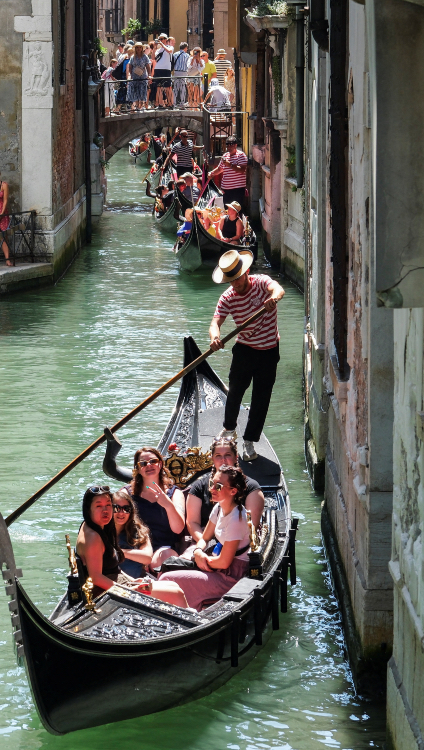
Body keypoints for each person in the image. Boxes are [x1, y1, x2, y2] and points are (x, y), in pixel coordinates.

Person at [209, 250, 286, 461]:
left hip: (269, 352)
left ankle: (250, 441)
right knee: (234, 393)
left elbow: (278, 289)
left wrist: (273, 298)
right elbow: (216, 322)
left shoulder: (261, 283)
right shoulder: (228, 297)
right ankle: (229, 429)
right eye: (231, 280)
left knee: (261, 398)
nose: (235, 284)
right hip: (244, 350)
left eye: (237, 279)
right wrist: (215, 338)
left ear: (246, 272)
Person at [158, 465, 253, 610]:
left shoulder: (236, 520)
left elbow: (224, 562)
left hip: (230, 576)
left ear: (233, 491)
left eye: (218, 486)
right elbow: (205, 537)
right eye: (212, 483)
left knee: (167, 579)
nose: (212, 489)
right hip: (214, 564)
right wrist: (198, 551)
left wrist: (202, 561)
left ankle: (184, 615)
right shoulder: (219, 507)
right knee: (166, 569)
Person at [183, 437, 265, 542]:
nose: (223, 460)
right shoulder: (199, 486)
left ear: (236, 458)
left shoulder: (252, 488)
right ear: (212, 459)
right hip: (203, 540)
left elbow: (250, 528)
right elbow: (192, 522)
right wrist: (204, 544)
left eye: (227, 455)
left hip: (238, 545)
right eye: (218, 456)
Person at [130, 447, 187, 570]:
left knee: (164, 558)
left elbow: (178, 529)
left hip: (164, 548)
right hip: (137, 548)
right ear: (138, 469)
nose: (149, 465)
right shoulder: (127, 495)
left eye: (153, 461)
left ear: (160, 464)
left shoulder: (175, 494)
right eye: (143, 463)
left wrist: (168, 505)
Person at [211, 135, 248, 209]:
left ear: (235, 145)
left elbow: (242, 170)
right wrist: (211, 173)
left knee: (237, 211)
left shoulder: (241, 155)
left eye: (231, 144)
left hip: (237, 190)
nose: (229, 147)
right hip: (226, 191)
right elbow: (219, 169)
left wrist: (230, 165)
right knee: (227, 211)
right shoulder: (225, 156)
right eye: (228, 144)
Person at [152, 34, 174, 108]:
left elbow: (169, 51)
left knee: (167, 87)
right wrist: (155, 47)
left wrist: (162, 45)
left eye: (162, 39)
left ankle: (170, 103)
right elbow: (153, 58)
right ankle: (161, 104)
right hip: (158, 69)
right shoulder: (158, 50)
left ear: (165, 39)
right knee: (159, 87)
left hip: (166, 69)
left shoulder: (170, 47)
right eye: (159, 39)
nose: (160, 40)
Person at [128, 43, 150, 111]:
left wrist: (149, 75)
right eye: (137, 47)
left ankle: (141, 106)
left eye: (140, 47)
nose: (138, 49)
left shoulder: (145, 57)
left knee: (142, 91)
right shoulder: (133, 57)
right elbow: (130, 66)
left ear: (142, 48)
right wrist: (131, 74)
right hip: (135, 77)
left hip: (143, 77)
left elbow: (147, 66)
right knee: (136, 91)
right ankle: (137, 106)